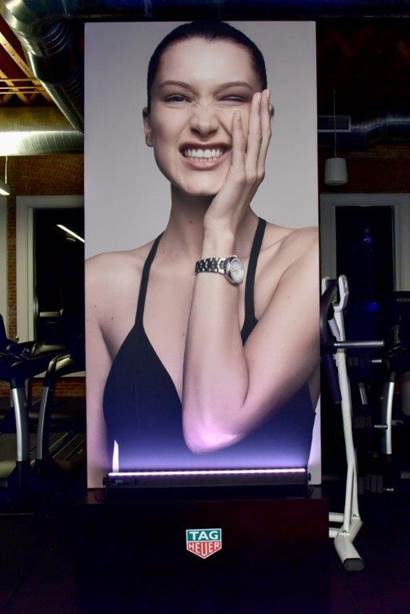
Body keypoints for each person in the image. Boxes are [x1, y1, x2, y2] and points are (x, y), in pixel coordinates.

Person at [86, 21, 319, 487]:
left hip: (276, 538)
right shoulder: (101, 284)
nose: (205, 123)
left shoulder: (306, 259)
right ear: (149, 124)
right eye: (177, 97)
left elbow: (211, 426)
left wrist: (219, 229)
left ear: (265, 121)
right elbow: (94, 481)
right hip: (133, 538)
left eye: (231, 98)